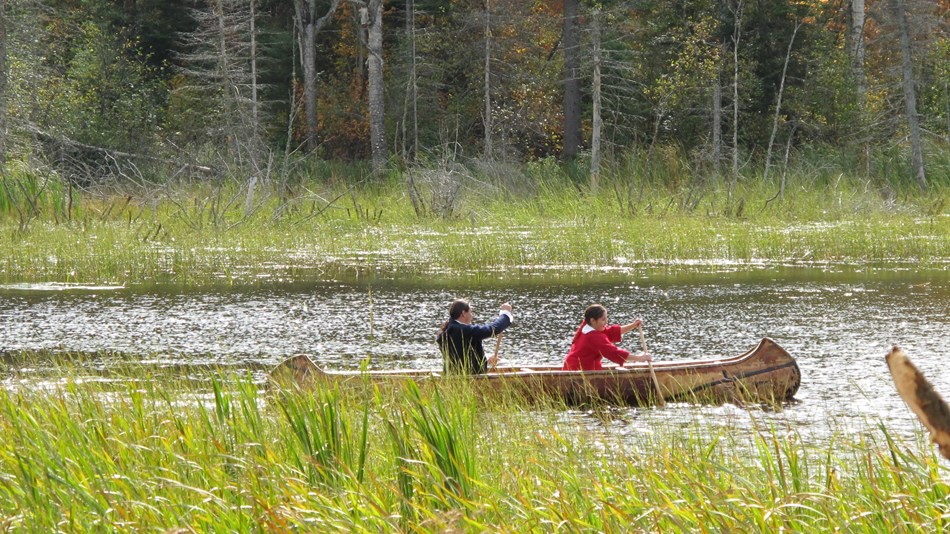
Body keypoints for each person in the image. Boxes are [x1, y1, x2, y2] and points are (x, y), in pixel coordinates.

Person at [562, 303, 652, 371]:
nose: (606, 322)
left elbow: (610, 332)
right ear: (593, 320)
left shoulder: (587, 325)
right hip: (578, 370)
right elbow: (613, 352)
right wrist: (640, 358)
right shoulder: (593, 336)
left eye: (606, 318)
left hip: (573, 367)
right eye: (603, 319)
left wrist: (633, 325)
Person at [436, 299, 513, 374]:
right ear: (463, 313)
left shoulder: (449, 328)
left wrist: (486, 360)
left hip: (451, 375)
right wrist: (505, 314)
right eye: (471, 311)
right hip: (466, 378)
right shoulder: (462, 330)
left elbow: (461, 357)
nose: (472, 315)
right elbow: (492, 329)